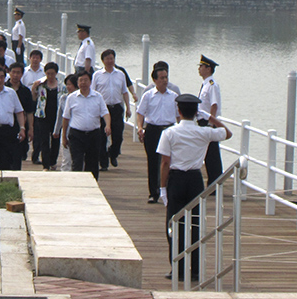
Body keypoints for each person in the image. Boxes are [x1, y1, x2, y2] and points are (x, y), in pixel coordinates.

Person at [156, 93, 232, 282]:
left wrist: (163, 188)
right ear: (196, 112)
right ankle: (196, 270)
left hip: (176, 179)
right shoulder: (204, 132)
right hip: (195, 180)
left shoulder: (169, 133)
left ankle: (177, 269)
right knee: (195, 225)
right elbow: (227, 133)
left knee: (174, 225)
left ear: (179, 111)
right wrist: (210, 118)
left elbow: (165, 163)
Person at [135, 66, 179, 203]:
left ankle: (168, 190)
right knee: (153, 162)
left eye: (166, 77)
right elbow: (140, 113)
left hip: (169, 130)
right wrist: (140, 128)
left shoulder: (174, 96)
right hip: (153, 130)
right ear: (155, 80)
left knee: (170, 161)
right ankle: (153, 193)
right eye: (161, 78)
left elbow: (179, 116)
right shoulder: (148, 95)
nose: (165, 80)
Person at [61, 70, 110, 180]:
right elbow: (66, 118)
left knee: (92, 163)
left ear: (90, 82)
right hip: (76, 135)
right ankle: (77, 186)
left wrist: (108, 125)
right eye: (81, 80)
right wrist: (64, 136)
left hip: (94, 134)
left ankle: (93, 187)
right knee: (77, 162)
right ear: (77, 83)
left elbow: (105, 113)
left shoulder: (98, 97)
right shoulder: (72, 98)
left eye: (86, 80)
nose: (83, 83)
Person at [92, 49, 131, 170]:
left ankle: (113, 153)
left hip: (117, 107)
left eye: (112, 58)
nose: (110, 61)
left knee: (118, 135)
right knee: (102, 136)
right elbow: (93, 92)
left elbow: (125, 92)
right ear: (103, 61)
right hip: (103, 109)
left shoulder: (120, 74)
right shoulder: (97, 75)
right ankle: (103, 163)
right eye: (107, 59)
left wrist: (128, 108)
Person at [197, 54, 223, 186]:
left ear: (208, 68)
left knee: (212, 154)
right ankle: (212, 182)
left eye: (201, 66)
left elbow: (214, 105)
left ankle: (215, 183)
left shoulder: (212, 85)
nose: (199, 68)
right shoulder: (205, 84)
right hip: (203, 121)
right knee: (207, 155)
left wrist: (210, 124)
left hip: (208, 122)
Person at [31, 61, 61, 169]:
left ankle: (53, 161)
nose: (50, 76)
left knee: (55, 139)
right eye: (48, 73)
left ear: (56, 73)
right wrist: (33, 88)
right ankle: (46, 164)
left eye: (52, 73)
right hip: (43, 116)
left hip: (56, 116)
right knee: (44, 140)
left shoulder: (61, 86)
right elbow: (34, 99)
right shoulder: (41, 85)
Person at [6, 62, 35, 169]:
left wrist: (31, 129)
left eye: (18, 73)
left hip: (21, 125)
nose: (15, 75)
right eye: (13, 72)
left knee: (18, 153)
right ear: (9, 72)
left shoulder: (26, 91)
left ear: (22, 74)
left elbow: (29, 111)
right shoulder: (4, 88)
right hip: (6, 124)